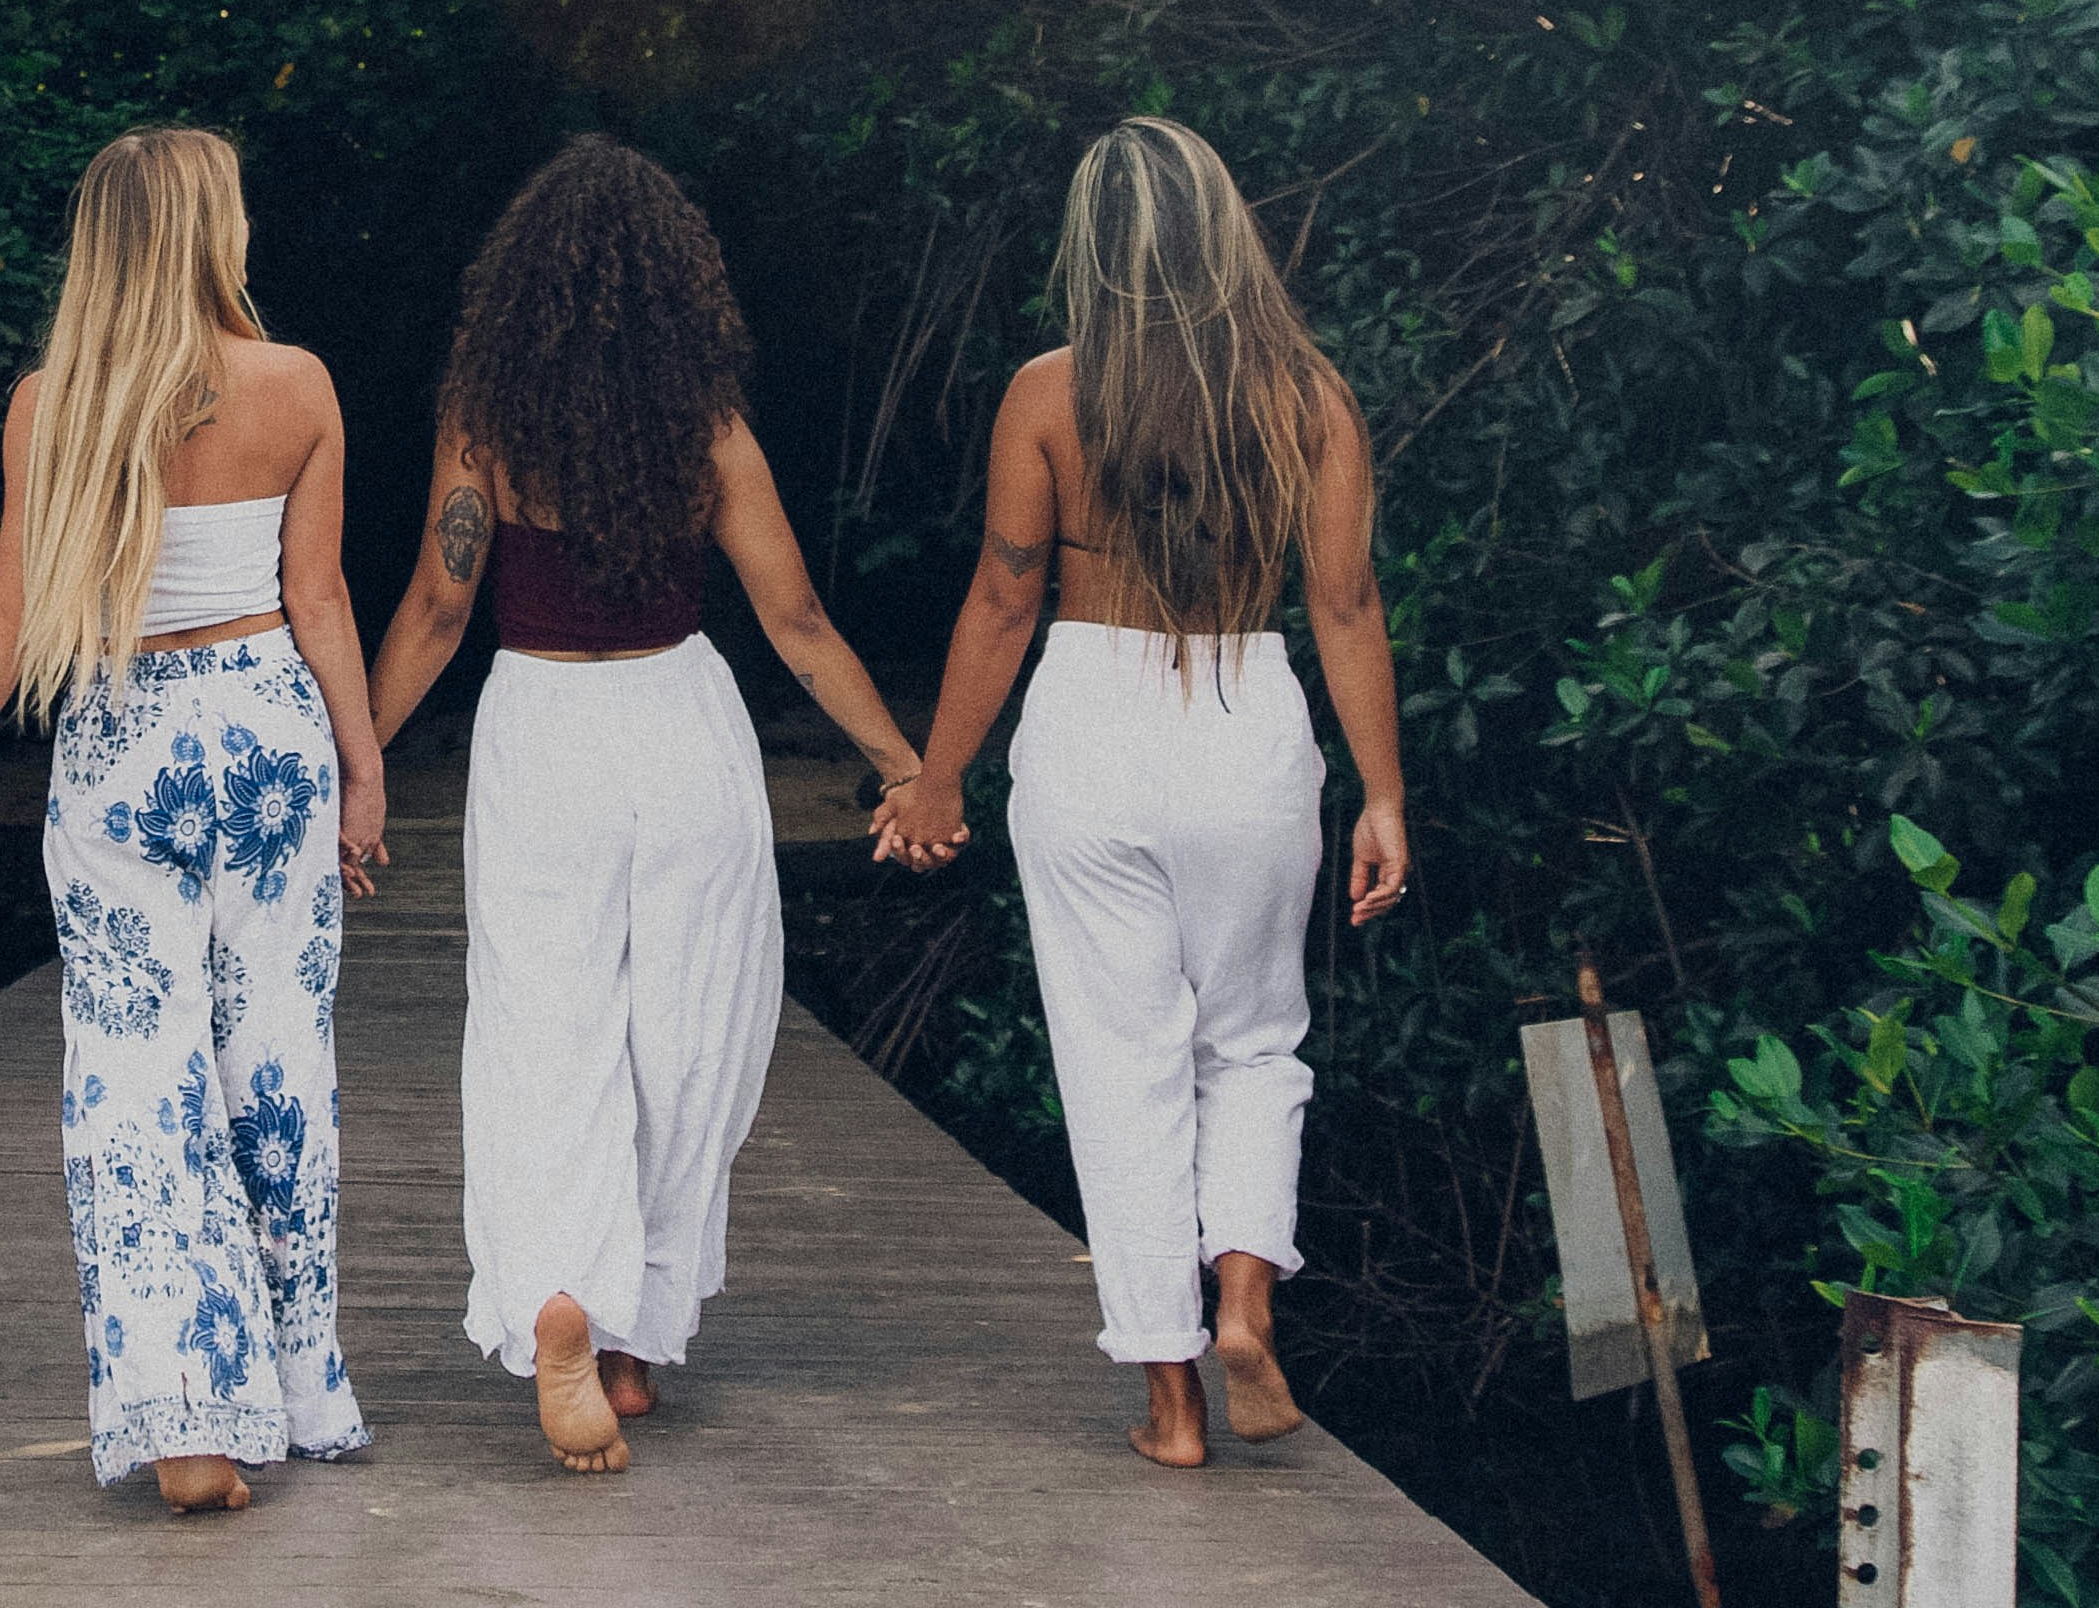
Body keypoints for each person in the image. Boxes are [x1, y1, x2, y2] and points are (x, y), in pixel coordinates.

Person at [367, 135, 929, 1480]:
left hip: (541, 731)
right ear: (678, 283)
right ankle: (628, 1334)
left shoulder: (484, 424)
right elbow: (793, 618)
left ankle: (571, 1298)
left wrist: (357, 764)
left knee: (545, 1028)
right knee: (691, 1031)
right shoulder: (707, 428)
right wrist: (908, 764)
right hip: (682, 728)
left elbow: (440, 607)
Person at [876, 114, 1413, 1469]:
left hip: (1090, 727)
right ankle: (1245, 1295)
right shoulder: (1308, 396)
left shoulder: (1049, 394)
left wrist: (937, 778)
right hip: (1245, 721)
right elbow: (1344, 606)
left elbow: (1005, 597)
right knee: (1251, 1039)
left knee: (1121, 1065)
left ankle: (1174, 1404)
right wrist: (1383, 795)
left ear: (1092, 246)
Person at [0, 125, 382, 1515]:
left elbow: (7, 618)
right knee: (277, 1053)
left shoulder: (53, 406)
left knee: (135, 1064)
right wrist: (362, 764)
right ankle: (296, 1379)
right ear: (211, 233)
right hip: (269, 738)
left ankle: (183, 1408)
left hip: (122, 748)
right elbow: (323, 598)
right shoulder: (296, 387)